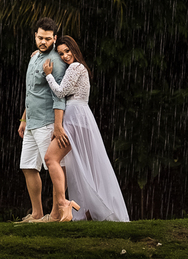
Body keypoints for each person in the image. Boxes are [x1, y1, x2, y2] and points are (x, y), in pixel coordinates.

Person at [41, 35, 129, 222]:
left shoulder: (76, 67)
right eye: (60, 53)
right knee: (79, 165)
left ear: (75, 49)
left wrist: (48, 75)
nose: (65, 56)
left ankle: (65, 206)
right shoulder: (78, 67)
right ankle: (85, 209)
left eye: (67, 51)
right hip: (77, 116)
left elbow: (61, 91)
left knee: (52, 158)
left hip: (75, 116)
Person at [16, 17, 68, 223]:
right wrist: (23, 119)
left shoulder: (56, 61)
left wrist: (58, 125)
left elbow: (59, 96)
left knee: (54, 168)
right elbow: (31, 92)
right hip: (31, 122)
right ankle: (37, 213)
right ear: (35, 36)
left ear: (54, 38)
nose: (43, 42)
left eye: (47, 38)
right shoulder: (34, 56)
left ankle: (56, 215)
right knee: (28, 166)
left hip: (47, 122)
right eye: (40, 38)